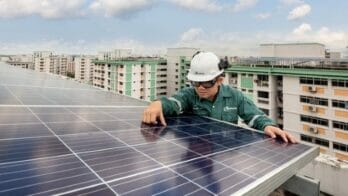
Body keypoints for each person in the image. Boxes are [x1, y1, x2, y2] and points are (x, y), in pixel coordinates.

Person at [142, 51, 297, 143]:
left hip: (223, 156)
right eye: (196, 82)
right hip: (197, 148)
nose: (201, 88)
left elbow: (254, 116)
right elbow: (173, 103)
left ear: (219, 80)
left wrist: (268, 126)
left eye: (207, 83)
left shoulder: (235, 96)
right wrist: (158, 104)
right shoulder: (190, 95)